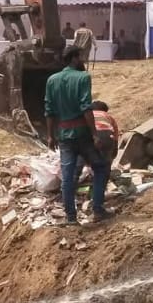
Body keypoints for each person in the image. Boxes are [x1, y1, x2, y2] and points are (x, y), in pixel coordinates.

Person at [44, 45, 110, 224]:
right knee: (100, 168)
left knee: (68, 176)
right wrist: (95, 134)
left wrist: (51, 136)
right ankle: (97, 210)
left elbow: (49, 111)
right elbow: (86, 109)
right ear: (74, 58)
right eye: (80, 56)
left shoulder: (52, 80)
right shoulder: (83, 77)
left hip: (63, 135)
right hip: (82, 134)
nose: (82, 60)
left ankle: (71, 218)